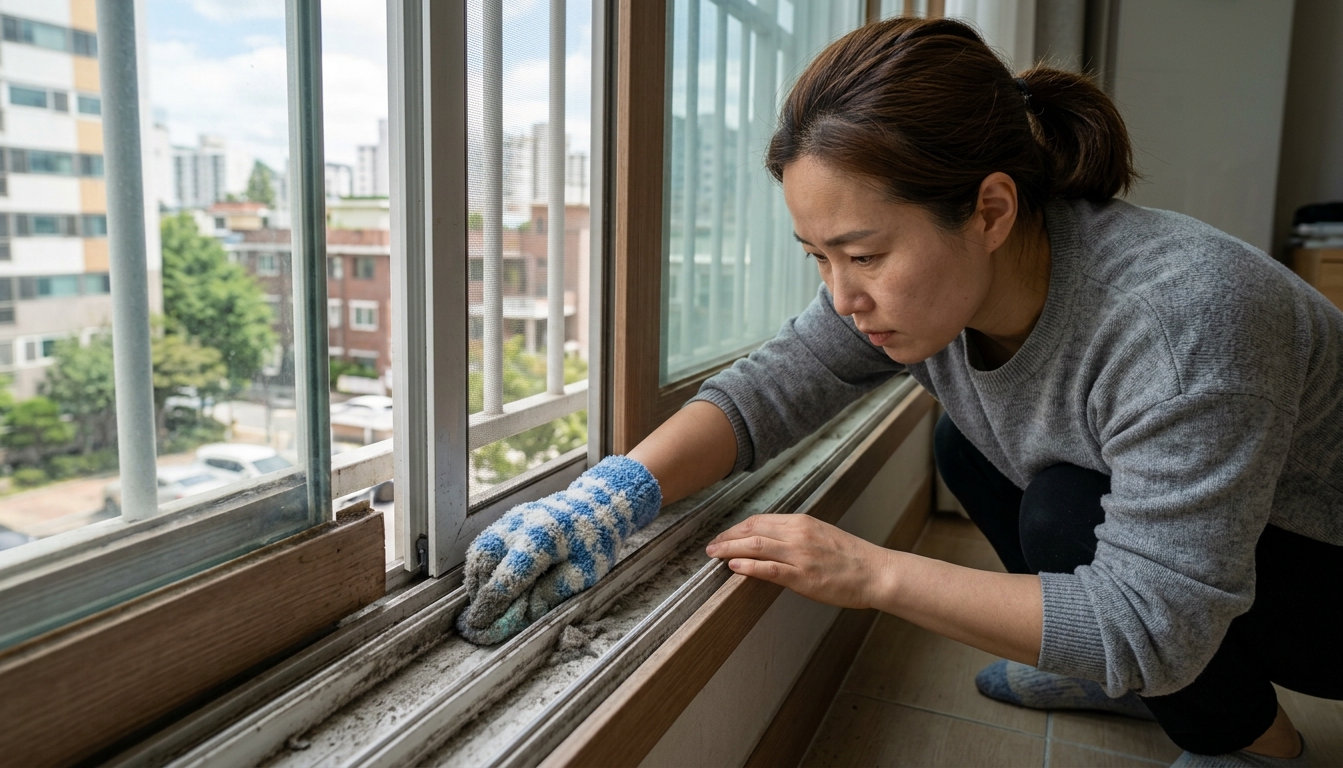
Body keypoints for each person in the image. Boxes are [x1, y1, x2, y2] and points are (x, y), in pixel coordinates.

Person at [455, 17, 1342, 768]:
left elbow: (1160, 621)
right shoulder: (948, 281)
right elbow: (771, 388)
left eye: (865, 254)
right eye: (821, 258)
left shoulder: (1186, 321)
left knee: (1068, 516)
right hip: (1234, 556)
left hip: (1325, 576)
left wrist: (867, 570)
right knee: (968, 440)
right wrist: (608, 497)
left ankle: (1253, 743)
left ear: (990, 211)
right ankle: (1110, 671)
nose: (843, 297)